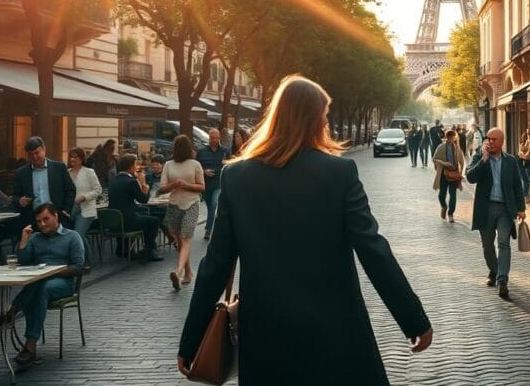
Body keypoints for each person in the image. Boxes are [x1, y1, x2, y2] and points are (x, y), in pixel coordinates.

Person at [179, 75, 432, 384]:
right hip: (336, 329)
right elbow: (373, 249)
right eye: (324, 116)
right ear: (313, 120)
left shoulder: (237, 177)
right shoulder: (339, 172)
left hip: (266, 335)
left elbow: (215, 265)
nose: (326, 124)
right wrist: (413, 319)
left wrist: (191, 340)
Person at [0, 203, 85, 366]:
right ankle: (29, 348)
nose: (42, 224)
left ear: (55, 216)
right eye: (39, 221)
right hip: (38, 283)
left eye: (46, 219)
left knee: (39, 288)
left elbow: (78, 267)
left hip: (63, 284)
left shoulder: (72, 236)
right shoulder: (35, 238)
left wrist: (52, 272)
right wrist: (23, 241)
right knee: (38, 290)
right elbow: (22, 262)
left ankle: (11, 318)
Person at [467, 128, 526, 301]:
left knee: (504, 243)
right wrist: (483, 160)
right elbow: (470, 177)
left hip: (505, 210)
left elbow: (517, 185)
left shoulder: (511, 161)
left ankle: (502, 281)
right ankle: (494, 270)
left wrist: (521, 208)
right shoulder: (479, 156)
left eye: (493, 139)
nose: (490, 142)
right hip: (485, 209)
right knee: (487, 245)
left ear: (501, 142)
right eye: (488, 139)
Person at [160, 135, 205, 290]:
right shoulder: (168, 165)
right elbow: (162, 188)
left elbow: (201, 187)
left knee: (185, 239)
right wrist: (175, 185)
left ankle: (177, 271)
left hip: (191, 204)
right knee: (180, 240)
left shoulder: (194, 164)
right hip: (174, 205)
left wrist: (185, 185)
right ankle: (187, 272)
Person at [108, 154, 163, 263]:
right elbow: (143, 200)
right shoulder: (131, 182)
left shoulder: (113, 181)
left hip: (113, 221)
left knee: (140, 215)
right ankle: (149, 250)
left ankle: (123, 249)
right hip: (128, 221)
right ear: (131, 167)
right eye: (135, 165)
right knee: (153, 221)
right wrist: (144, 185)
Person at [11, 136, 76, 229]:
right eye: (30, 154)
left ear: (44, 149)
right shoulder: (21, 173)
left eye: (37, 153)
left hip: (57, 217)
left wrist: (66, 210)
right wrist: (20, 201)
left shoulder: (59, 168)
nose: (34, 157)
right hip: (33, 220)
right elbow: (14, 196)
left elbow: (70, 190)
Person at [67, 148, 102, 270]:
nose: (72, 159)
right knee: (80, 235)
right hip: (72, 209)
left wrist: (84, 197)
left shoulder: (89, 172)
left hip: (86, 209)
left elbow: (98, 190)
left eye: (75, 157)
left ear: (81, 159)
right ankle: (89, 259)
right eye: (71, 157)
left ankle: (82, 261)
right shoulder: (68, 173)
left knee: (78, 234)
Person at [196, 128, 229, 241]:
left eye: (217, 138)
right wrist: (204, 171)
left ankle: (208, 229)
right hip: (206, 184)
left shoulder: (225, 151)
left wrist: (227, 164)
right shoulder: (201, 151)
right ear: (209, 138)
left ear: (219, 138)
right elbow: (197, 168)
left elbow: (231, 166)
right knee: (210, 206)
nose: (215, 140)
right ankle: (218, 226)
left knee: (214, 203)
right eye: (212, 138)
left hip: (219, 183)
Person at [432, 129, 465, 223]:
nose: (451, 138)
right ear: (446, 137)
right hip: (443, 174)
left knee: (453, 194)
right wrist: (444, 163)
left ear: (454, 137)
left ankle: (451, 214)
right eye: (449, 136)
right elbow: (435, 159)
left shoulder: (457, 148)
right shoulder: (441, 147)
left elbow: (462, 161)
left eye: (452, 136)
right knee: (441, 195)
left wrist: (460, 173)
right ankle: (444, 206)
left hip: (454, 174)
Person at [517, 128, 530, 211]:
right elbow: (520, 153)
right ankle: (526, 198)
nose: (528, 135)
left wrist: (525, 155)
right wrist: (524, 155)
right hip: (524, 163)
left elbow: (529, 154)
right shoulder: (525, 142)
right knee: (525, 181)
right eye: (527, 133)